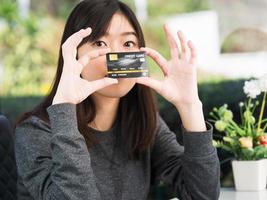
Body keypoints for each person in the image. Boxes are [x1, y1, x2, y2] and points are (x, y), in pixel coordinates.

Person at [14, 0, 220, 199]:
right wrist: (65, 109)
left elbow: (201, 195)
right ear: (73, 56)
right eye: (100, 43)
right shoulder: (35, 132)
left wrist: (190, 106)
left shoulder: (144, 123)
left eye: (128, 43)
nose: (117, 56)